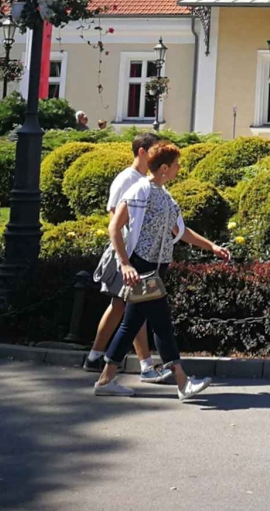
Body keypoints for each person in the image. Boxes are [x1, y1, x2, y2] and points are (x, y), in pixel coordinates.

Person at [93, 141, 231, 400]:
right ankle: (182, 382)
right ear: (165, 168)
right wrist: (125, 264)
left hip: (153, 269)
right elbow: (115, 227)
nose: (180, 168)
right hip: (142, 267)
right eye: (177, 164)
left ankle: (105, 380)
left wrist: (211, 246)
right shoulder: (140, 190)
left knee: (132, 325)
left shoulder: (165, 195)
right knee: (162, 325)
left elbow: (180, 231)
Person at [84, 132, 163, 376]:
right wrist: (124, 259)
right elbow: (114, 220)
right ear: (142, 152)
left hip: (133, 254)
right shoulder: (127, 179)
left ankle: (98, 357)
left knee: (126, 307)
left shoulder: (141, 178)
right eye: (154, 151)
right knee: (129, 307)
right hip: (127, 255)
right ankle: (141, 364)